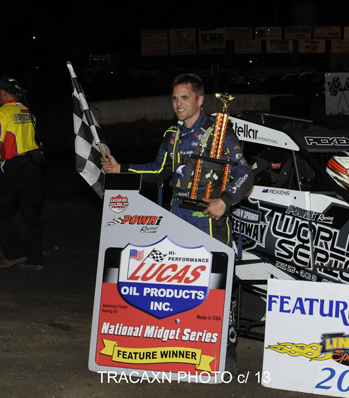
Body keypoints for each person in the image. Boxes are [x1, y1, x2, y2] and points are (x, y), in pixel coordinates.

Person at [101, 73, 253, 373]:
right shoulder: (172, 134)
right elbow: (159, 171)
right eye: (174, 98)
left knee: (219, 284)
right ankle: (188, 344)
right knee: (182, 285)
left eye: (184, 97)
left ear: (199, 99)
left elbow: (245, 174)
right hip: (176, 218)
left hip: (210, 222)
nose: (178, 104)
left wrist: (225, 200)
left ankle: (228, 348)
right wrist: (123, 169)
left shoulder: (219, 131)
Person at [0, 76, 44, 271]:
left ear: (3, 93)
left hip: (14, 166)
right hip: (34, 165)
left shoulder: (2, 112)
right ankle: (35, 259)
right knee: (30, 211)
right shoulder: (28, 111)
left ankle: (14, 254)